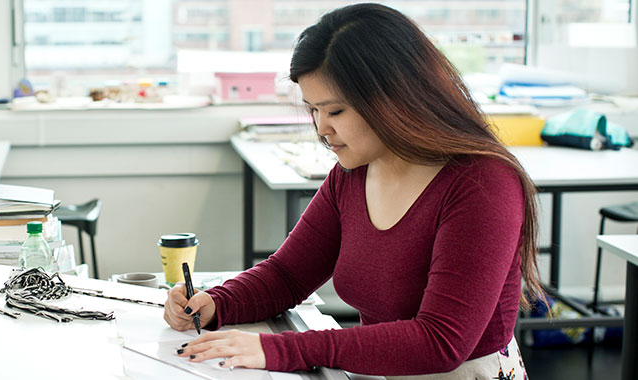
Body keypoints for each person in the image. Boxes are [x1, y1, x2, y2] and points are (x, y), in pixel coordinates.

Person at [164, 3, 545, 378]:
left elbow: (441, 342)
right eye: (313, 110)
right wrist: (216, 302)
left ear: (394, 97)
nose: (321, 128)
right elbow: (288, 275)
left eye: (335, 111)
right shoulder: (353, 172)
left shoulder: (484, 183)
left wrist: (280, 349)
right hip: (381, 370)